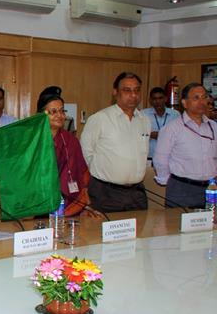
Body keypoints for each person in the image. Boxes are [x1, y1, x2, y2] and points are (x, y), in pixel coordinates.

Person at [80, 72, 151, 213]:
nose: (133, 95)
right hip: (106, 193)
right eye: (127, 90)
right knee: (104, 234)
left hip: (137, 193)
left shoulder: (145, 120)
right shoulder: (100, 118)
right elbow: (86, 152)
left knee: (139, 234)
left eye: (137, 90)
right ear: (115, 92)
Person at [153, 83, 217, 208]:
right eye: (196, 98)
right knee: (177, 226)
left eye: (204, 97)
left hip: (211, 188)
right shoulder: (172, 128)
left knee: (211, 226)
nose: (202, 102)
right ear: (184, 102)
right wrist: (171, 181)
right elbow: (160, 160)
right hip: (182, 189)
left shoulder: (214, 127)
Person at [36, 92, 99, 217]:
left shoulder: (71, 140)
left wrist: (86, 205)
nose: (59, 115)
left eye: (62, 111)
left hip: (69, 202)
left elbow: (81, 172)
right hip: (39, 204)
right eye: (53, 112)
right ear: (41, 115)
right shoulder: (33, 141)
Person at [141, 87, 180, 160]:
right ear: (150, 100)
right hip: (149, 157)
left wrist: (164, 135)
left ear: (165, 99)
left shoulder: (175, 115)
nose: (157, 101)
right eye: (154, 99)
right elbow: (137, 134)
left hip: (170, 157)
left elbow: (180, 135)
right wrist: (150, 135)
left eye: (160, 98)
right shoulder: (143, 114)